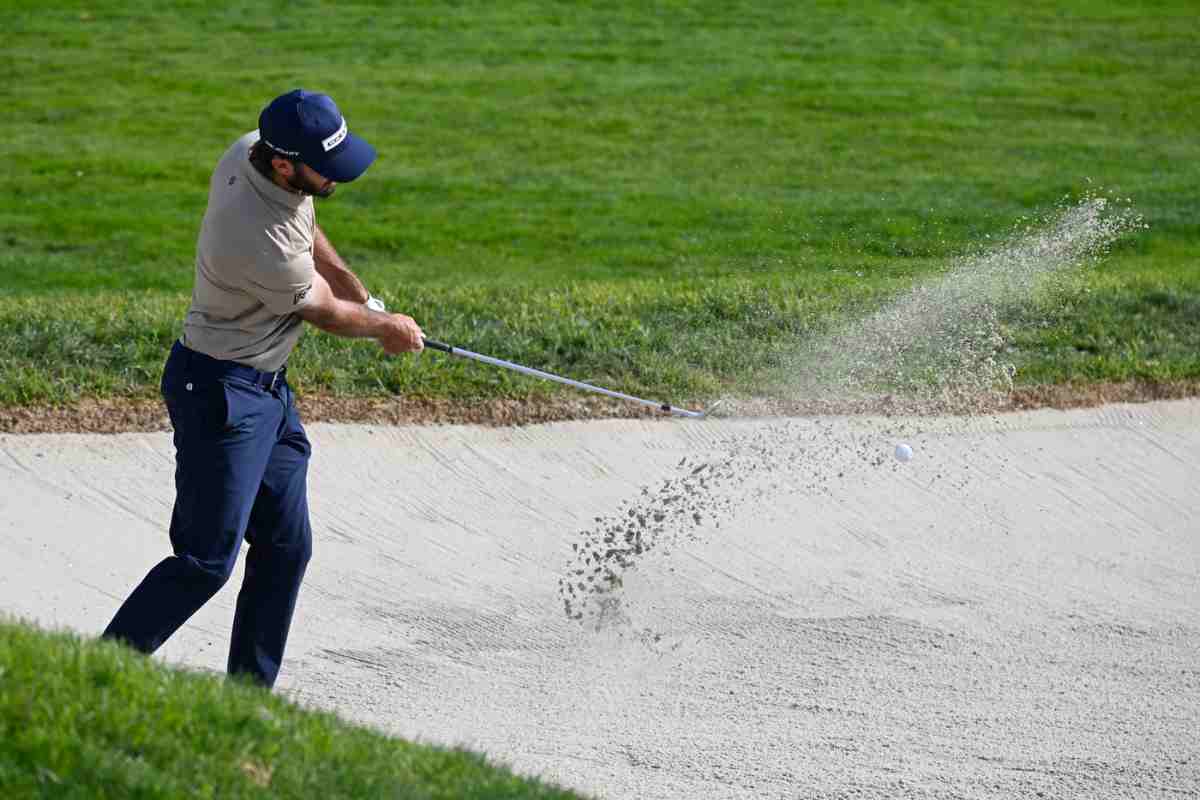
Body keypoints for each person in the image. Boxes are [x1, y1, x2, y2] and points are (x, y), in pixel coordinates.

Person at [101, 89, 424, 688]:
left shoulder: (251, 150)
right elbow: (324, 313)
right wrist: (386, 326)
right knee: (204, 562)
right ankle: (93, 673)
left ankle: (247, 700)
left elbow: (308, 225)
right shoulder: (260, 238)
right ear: (283, 164)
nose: (335, 177)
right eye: (325, 168)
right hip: (220, 394)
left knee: (286, 547)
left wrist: (351, 280)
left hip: (264, 393)